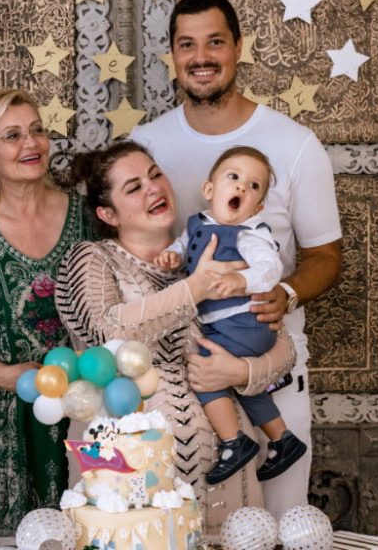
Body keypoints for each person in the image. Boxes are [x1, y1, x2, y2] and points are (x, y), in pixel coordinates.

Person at [129, 0, 342, 518]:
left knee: (281, 525)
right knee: (181, 527)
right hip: (182, 376)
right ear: (173, 55)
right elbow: (116, 230)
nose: (201, 57)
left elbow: (326, 255)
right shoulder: (147, 144)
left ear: (239, 47)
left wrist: (285, 292)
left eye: (215, 42)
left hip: (269, 366)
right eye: (187, 44)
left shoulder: (295, 144)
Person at [55, 140, 297, 536]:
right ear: (107, 213)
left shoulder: (207, 251)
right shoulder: (93, 259)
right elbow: (106, 330)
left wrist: (240, 371)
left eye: (155, 175)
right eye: (134, 187)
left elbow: (282, 345)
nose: (153, 188)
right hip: (131, 487)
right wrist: (195, 288)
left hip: (228, 482)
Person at [0, 88, 95, 537]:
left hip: (83, 415)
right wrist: (14, 377)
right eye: (12, 135)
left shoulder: (89, 219)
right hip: (1, 435)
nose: (31, 143)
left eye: (37, 130)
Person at [155, 146, 307, 485]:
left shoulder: (249, 233)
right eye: (234, 177)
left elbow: (270, 270)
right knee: (242, 384)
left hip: (245, 322)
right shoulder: (197, 223)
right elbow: (185, 247)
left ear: (258, 208)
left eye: (254, 186)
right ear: (210, 190)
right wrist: (172, 255)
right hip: (226, 325)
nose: (241, 187)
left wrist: (240, 280)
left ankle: (233, 442)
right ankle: (283, 439)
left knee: (206, 372)